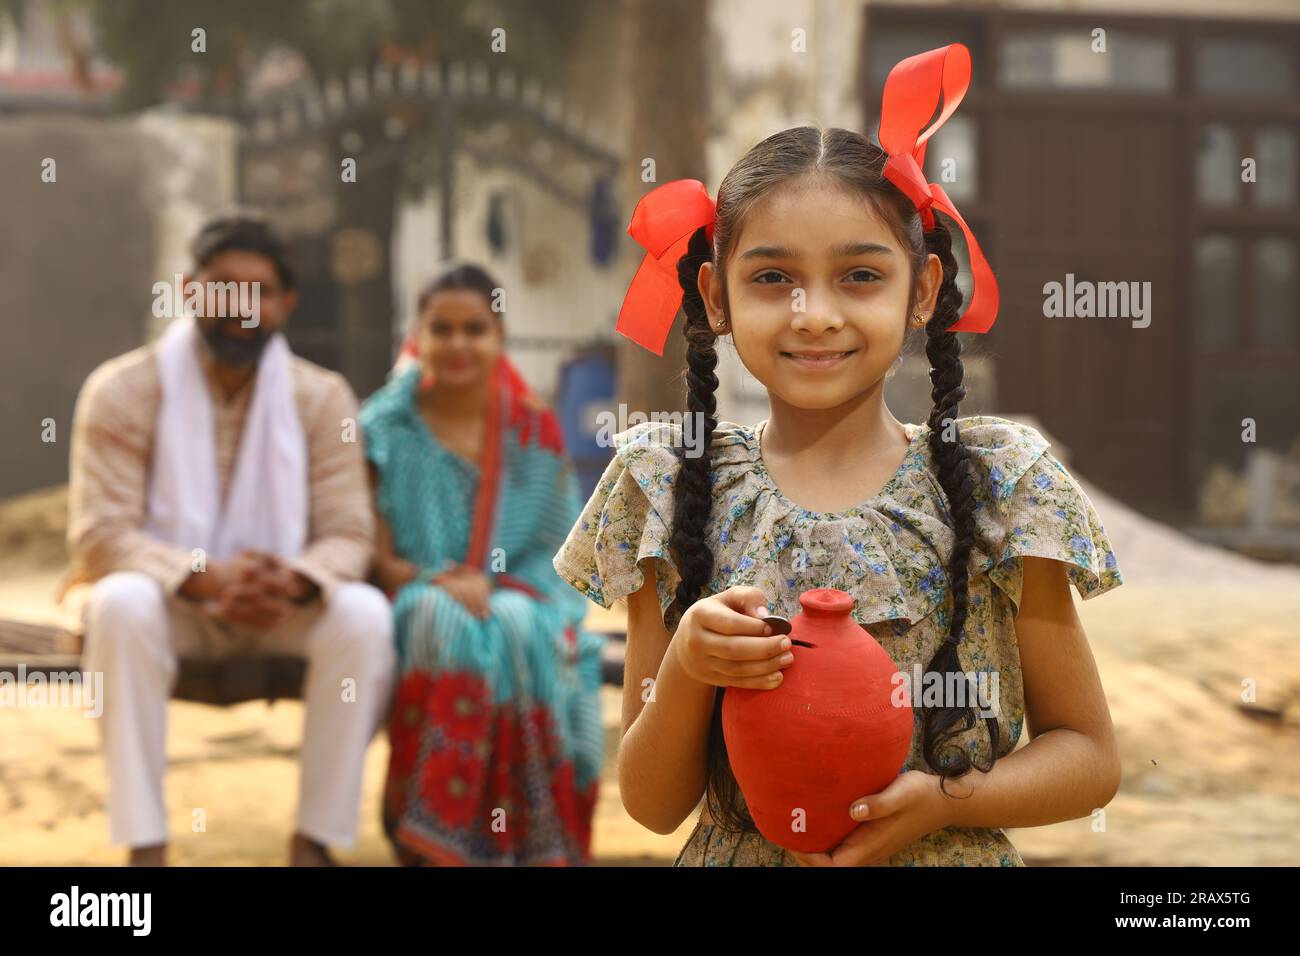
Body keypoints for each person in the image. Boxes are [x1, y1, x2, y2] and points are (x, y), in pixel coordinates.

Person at [552, 44, 1126, 867]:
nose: (814, 314)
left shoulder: (1005, 484)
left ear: (922, 291)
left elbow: (1090, 759)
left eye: (860, 274)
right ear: (714, 297)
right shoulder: (666, 482)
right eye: (772, 278)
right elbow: (652, 803)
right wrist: (687, 664)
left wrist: (943, 801)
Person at [64, 213, 395, 866]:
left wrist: (293, 579)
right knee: (119, 603)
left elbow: (350, 532)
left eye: (261, 292)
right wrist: (203, 576)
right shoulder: (123, 390)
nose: (241, 308)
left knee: (362, 614)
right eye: (223, 289)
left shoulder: (322, 398)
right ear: (189, 290)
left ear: (287, 303)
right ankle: (146, 844)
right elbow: (99, 536)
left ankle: (313, 842)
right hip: (175, 606)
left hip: (280, 607)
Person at [360, 263, 605, 866]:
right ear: (417, 336)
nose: (459, 344)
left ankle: (527, 842)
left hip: (521, 592)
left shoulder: (530, 427)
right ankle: (431, 831)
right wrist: (437, 578)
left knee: (519, 626)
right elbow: (374, 557)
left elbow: (559, 553)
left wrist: (497, 588)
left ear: (498, 337)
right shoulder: (382, 429)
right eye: (441, 329)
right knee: (442, 621)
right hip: (415, 590)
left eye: (475, 328)